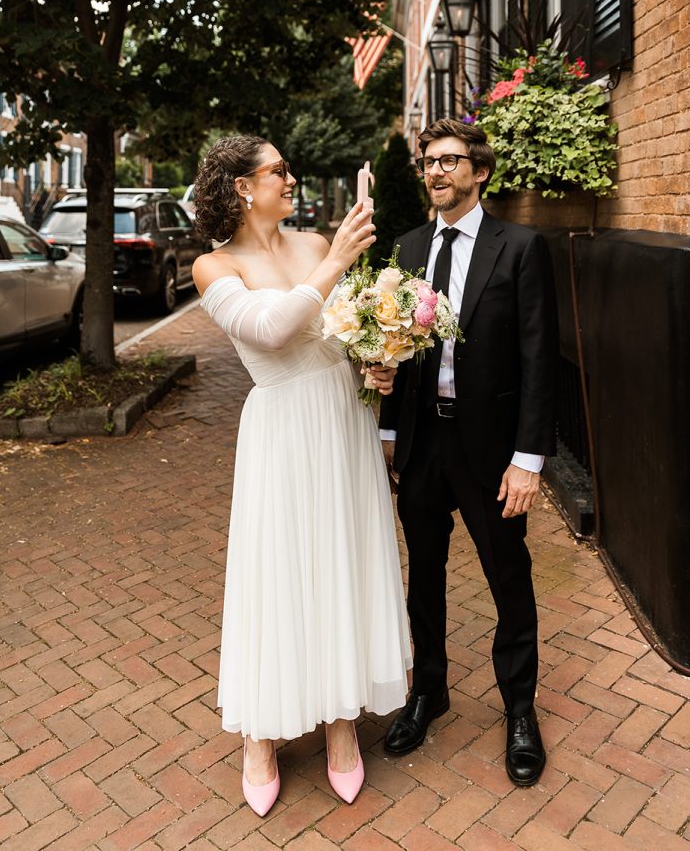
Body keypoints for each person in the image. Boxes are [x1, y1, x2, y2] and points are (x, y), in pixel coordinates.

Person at [192, 135, 411, 816]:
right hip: (283, 429)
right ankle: (259, 734)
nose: (290, 179)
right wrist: (342, 261)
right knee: (281, 570)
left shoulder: (314, 244)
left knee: (339, 560)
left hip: (342, 420)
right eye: (278, 170)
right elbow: (272, 330)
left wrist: (375, 363)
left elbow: (339, 333)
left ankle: (342, 720)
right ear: (241, 187)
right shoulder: (212, 265)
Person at [379, 118, 558, 787]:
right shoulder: (407, 248)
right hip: (423, 443)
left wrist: (529, 460)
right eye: (429, 161)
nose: (437, 171)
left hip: (491, 450)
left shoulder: (520, 248)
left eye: (450, 160)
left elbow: (540, 362)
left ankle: (519, 708)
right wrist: (388, 435)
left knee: (508, 577)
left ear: (479, 171)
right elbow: (392, 347)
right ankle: (430, 691)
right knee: (422, 576)